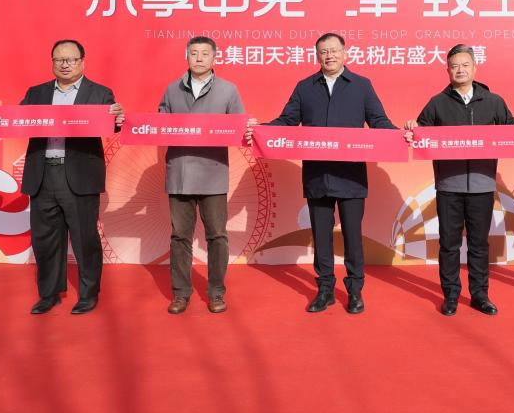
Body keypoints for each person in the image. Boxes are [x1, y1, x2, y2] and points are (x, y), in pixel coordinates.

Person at [246, 32, 397, 314]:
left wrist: (400, 136)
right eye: (323, 51)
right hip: (318, 175)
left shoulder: (361, 85)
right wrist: (260, 131)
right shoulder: (305, 87)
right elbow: (287, 120)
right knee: (321, 237)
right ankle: (325, 290)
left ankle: (355, 291)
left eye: (334, 50)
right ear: (317, 56)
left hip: (351, 176)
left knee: (353, 237)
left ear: (345, 53)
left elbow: (379, 121)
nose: (329, 56)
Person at [405, 45, 514, 317]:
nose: (460, 70)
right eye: (455, 66)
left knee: (479, 244)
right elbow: (420, 132)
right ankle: (451, 295)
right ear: (447, 70)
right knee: (449, 244)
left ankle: (479, 295)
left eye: (465, 65)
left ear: (475, 67)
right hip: (448, 185)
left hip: (482, 184)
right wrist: (412, 129)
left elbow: (511, 127)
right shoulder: (437, 103)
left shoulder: (493, 101)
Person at [19, 39, 122, 316]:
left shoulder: (99, 93)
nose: (65, 64)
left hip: (79, 175)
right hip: (43, 173)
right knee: (45, 239)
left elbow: (113, 124)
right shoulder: (37, 93)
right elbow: (16, 120)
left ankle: (88, 294)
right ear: (52, 62)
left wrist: (117, 117)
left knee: (84, 239)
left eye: (71, 59)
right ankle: (49, 294)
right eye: (59, 59)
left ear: (82, 62)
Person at [159, 36, 246, 315]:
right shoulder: (172, 89)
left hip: (213, 173)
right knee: (179, 237)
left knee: (217, 236)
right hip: (180, 172)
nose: (199, 58)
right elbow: (159, 124)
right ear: (186, 57)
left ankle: (217, 292)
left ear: (214, 58)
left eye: (204, 53)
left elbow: (240, 127)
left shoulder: (228, 90)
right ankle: (181, 293)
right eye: (194, 53)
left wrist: (249, 128)